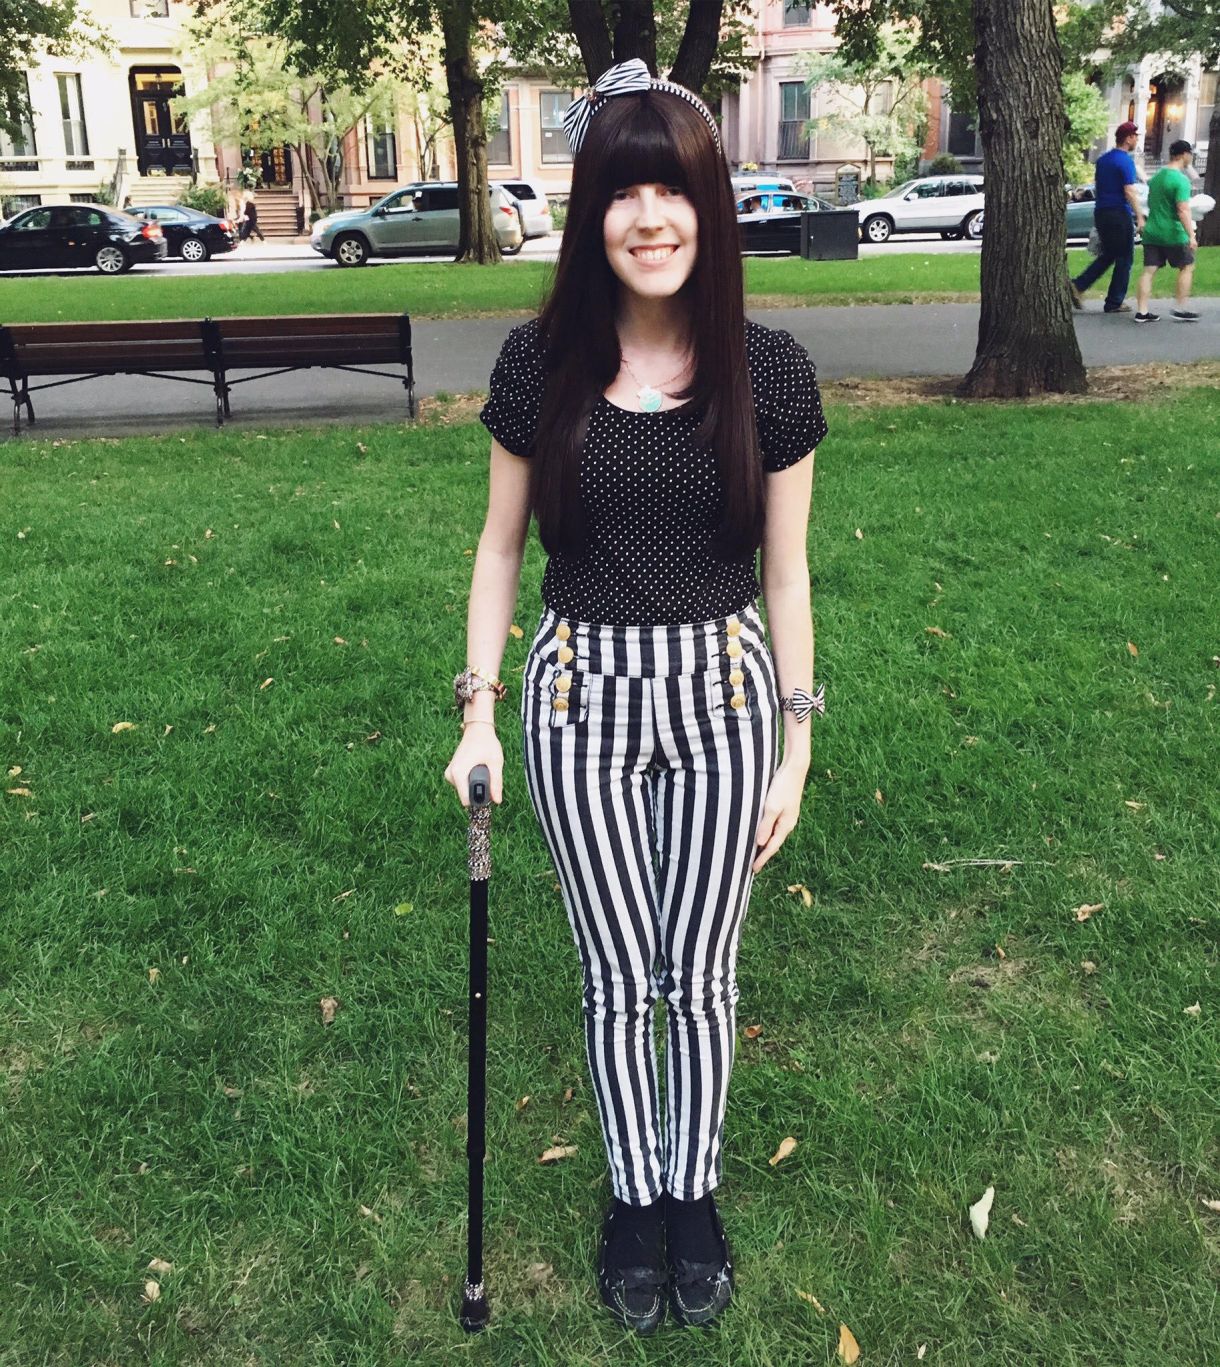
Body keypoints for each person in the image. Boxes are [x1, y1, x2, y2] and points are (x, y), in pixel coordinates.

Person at [443, 59, 827, 1335]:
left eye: (675, 191)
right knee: (621, 976)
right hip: (575, 707)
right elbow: (499, 549)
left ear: (710, 213)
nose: (650, 217)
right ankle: (629, 1194)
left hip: (722, 694)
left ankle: (691, 1193)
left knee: (699, 973)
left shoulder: (766, 373)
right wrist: (479, 709)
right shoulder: (538, 365)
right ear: (589, 214)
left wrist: (793, 742)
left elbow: (785, 571)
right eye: (623, 191)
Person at [1070, 121, 1145, 314]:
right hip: (1118, 213)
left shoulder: (1103, 160)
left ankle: (1078, 285)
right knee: (1125, 257)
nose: (1137, 139)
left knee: (1110, 253)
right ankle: (1114, 301)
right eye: (1135, 136)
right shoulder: (1125, 160)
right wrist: (1140, 216)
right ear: (1128, 138)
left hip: (1101, 211)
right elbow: (1129, 190)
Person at [1134, 140, 1200, 324]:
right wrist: (1191, 236)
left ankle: (1142, 311)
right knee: (1187, 266)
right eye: (1190, 154)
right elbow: (1183, 210)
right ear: (1184, 154)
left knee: (1148, 271)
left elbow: (1151, 202)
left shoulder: (1156, 178)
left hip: (1153, 231)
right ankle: (1180, 307)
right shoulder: (1180, 180)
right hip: (1173, 233)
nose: (1191, 157)